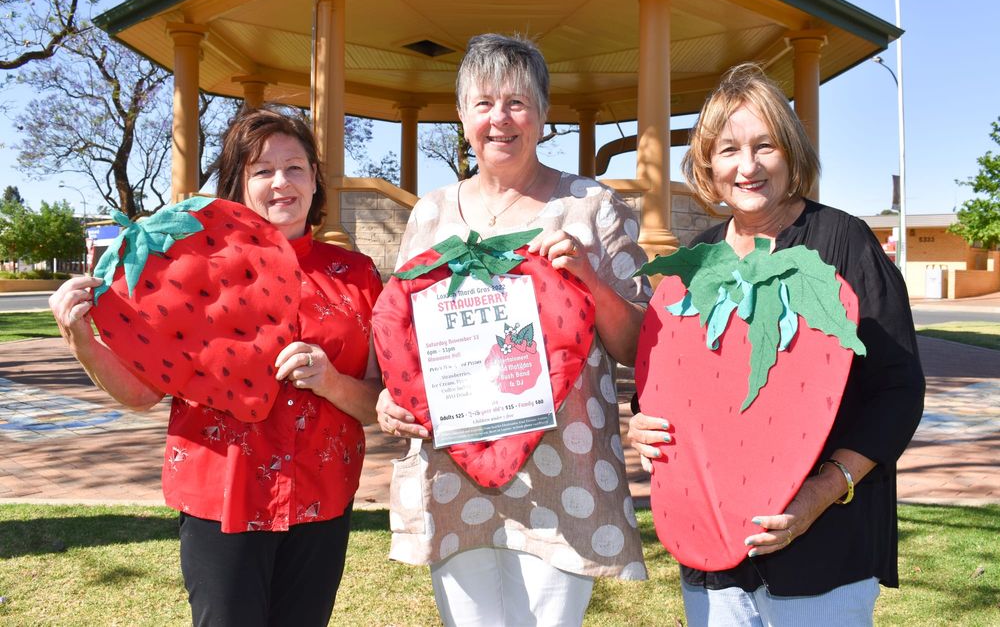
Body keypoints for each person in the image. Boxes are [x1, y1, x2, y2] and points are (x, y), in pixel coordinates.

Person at [48, 108, 383, 626]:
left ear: (316, 181)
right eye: (261, 171)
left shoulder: (356, 275)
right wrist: (81, 339)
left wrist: (331, 381)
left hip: (322, 495)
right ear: (238, 185)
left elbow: (377, 404)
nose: (281, 183)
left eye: (295, 168)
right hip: (220, 496)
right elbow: (142, 394)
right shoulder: (185, 267)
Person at [627, 63, 925, 625]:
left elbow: (899, 390)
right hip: (712, 554)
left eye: (764, 146)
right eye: (728, 149)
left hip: (826, 551)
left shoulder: (844, 242)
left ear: (790, 152)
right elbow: (669, 378)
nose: (747, 166)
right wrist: (643, 420)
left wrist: (819, 494)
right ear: (707, 164)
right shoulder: (699, 257)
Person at [375, 33, 649, 626]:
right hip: (454, 474)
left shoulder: (593, 207)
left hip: (565, 474)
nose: (500, 119)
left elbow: (636, 344)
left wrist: (588, 278)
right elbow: (402, 337)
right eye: (483, 103)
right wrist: (390, 398)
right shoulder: (431, 214)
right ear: (462, 115)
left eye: (517, 102)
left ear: (545, 115)